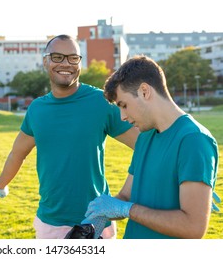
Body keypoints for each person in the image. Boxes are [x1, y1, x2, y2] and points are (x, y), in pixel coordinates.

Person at [0, 34, 139, 239]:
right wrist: (0, 184)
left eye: (72, 58)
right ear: (46, 61)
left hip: (96, 221)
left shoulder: (100, 102)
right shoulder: (37, 109)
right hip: (51, 222)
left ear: (80, 62)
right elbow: (17, 153)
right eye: (57, 57)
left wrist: (123, 196)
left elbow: (144, 146)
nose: (66, 64)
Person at [84, 55, 219, 238]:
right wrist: (98, 215)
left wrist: (127, 209)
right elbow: (126, 196)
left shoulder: (194, 140)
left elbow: (193, 228)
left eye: (124, 105)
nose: (122, 116)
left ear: (145, 91)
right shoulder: (145, 137)